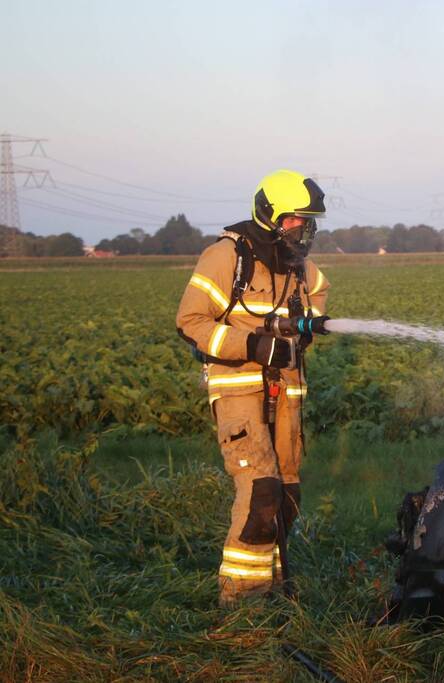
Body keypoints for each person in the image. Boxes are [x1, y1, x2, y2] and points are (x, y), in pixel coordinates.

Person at [176, 169, 330, 605]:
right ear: (270, 215)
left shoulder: (299, 264)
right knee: (262, 489)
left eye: (308, 221)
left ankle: (275, 585)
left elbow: (318, 294)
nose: (305, 229)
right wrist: (253, 345)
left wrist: (302, 331)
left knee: (287, 493)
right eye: (296, 219)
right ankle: (242, 598)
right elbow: (190, 322)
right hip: (240, 390)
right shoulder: (227, 258)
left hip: (287, 394)